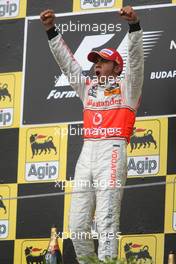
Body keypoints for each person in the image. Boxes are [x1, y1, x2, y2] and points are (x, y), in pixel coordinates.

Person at [40, 6, 144, 263]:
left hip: (113, 149)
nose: (96, 67)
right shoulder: (88, 88)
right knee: (77, 223)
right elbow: (68, 64)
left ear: (117, 68)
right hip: (88, 152)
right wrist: (51, 31)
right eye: (95, 63)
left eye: (103, 62)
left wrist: (134, 28)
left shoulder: (128, 87)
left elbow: (136, 59)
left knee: (107, 218)